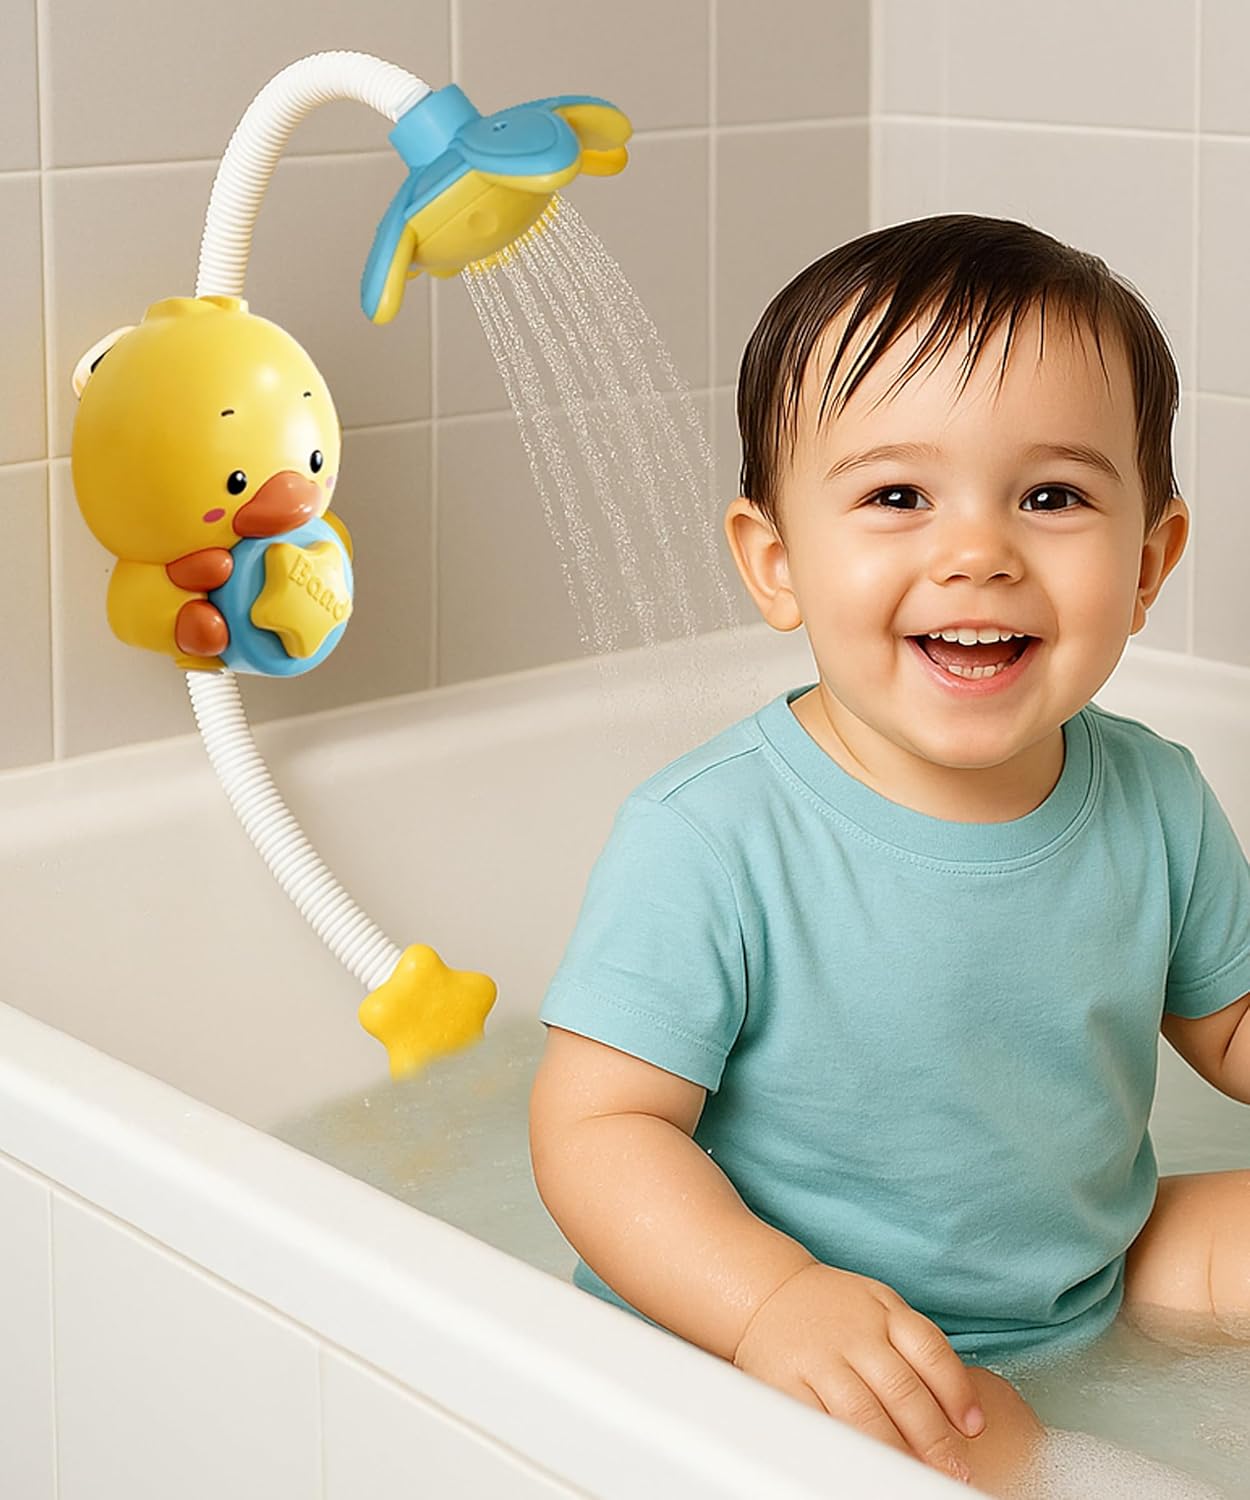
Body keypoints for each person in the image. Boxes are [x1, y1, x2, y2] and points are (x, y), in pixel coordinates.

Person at [527, 213, 1250, 1493]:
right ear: (776, 561)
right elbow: (599, 1129)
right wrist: (769, 1304)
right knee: (960, 1449)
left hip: (1079, 1268)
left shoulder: (1154, 793)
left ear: (1147, 564)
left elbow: (1227, 1025)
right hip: (792, 1341)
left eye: (1051, 496)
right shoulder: (711, 836)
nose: (976, 551)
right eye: (896, 496)